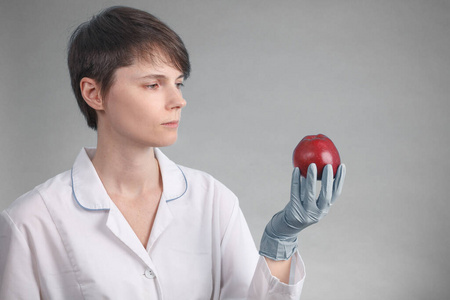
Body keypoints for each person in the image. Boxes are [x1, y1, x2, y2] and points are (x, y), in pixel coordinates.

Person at [0, 6, 345, 299]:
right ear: (94, 93)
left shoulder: (213, 202)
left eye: (178, 82)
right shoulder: (31, 222)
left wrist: (279, 242)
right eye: (153, 84)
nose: (178, 100)